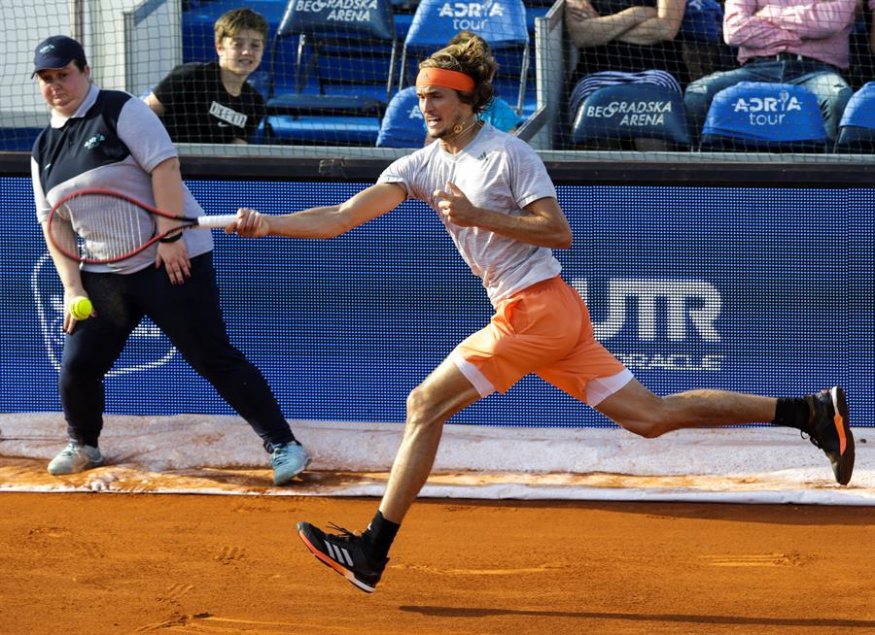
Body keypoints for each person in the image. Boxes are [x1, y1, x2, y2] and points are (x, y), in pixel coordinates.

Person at [226, 35, 854, 593]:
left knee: (424, 405)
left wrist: (477, 215)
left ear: (468, 100)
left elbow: (558, 231)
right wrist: (269, 224)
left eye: (438, 96)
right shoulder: (421, 163)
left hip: (534, 310)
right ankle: (807, 412)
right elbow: (340, 218)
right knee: (652, 417)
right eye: (420, 96)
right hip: (549, 315)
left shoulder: (508, 155)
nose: (426, 107)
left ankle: (371, 550)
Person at [29, 35, 309, 484]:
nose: (56, 85)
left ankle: (283, 444)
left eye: (64, 74)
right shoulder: (43, 148)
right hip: (105, 274)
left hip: (169, 260)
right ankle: (84, 444)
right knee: (78, 365)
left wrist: (170, 235)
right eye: (46, 78)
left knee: (211, 356)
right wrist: (72, 286)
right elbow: (54, 223)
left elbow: (165, 167)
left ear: (85, 71)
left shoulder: (121, 110)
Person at [684, 0, 857, 143]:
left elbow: (830, 22)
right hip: (757, 69)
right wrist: (794, 35)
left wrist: (768, 15)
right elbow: (735, 31)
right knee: (698, 93)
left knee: (840, 98)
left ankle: (830, 172)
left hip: (816, 71)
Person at [564, 0, 688, 149]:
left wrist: (602, 28)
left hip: (656, 71)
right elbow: (581, 36)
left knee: (650, 130)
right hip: (596, 72)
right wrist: (636, 14)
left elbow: (665, 29)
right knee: (596, 129)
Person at [144, 8, 268, 144]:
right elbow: (141, 116)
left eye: (255, 45)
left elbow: (237, 150)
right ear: (219, 47)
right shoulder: (190, 76)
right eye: (237, 44)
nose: (246, 52)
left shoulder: (255, 103)